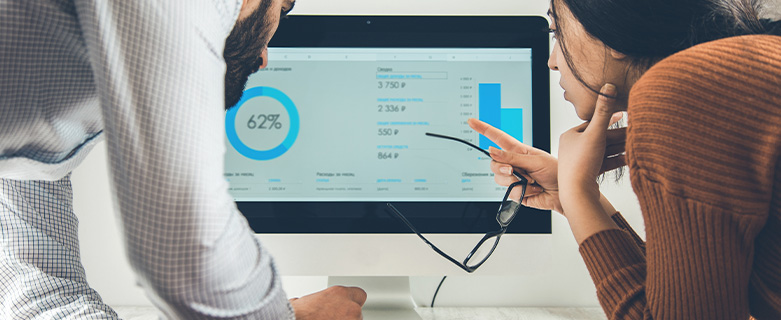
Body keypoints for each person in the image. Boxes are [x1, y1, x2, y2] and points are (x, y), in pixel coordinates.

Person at [0, 0, 366, 319]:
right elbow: (189, 258)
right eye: (281, 11)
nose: (264, 57)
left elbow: (40, 297)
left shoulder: (42, 116)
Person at [470, 0, 781, 318]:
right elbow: (689, 300)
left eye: (557, 31)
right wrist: (571, 193)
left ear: (611, 20)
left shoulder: (684, 90)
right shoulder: (744, 74)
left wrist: (577, 192)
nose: (552, 61)